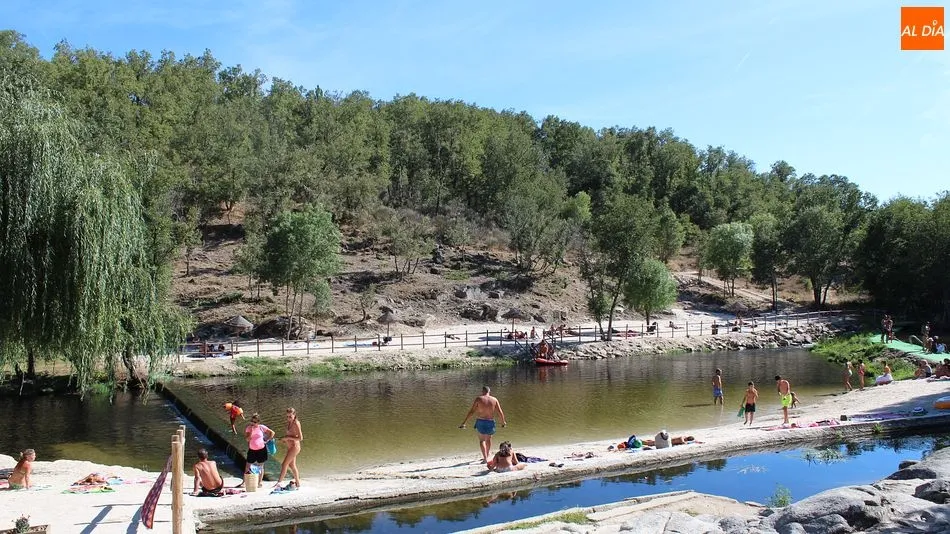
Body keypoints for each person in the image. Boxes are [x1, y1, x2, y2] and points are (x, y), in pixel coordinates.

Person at [459, 386, 508, 464]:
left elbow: (471, 411)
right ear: (489, 391)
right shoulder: (494, 399)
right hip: (490, 421)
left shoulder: (479, 399)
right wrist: (503, 422)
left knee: (482, 440)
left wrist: (464, 422)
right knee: (488, 439)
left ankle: (485, 458)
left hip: (481, 421)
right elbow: (500, 412)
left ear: (482, 391)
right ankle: (488, 455)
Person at [244, 413, 276, 487]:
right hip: (252, 449)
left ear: (258, 422)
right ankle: (245, 482)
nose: (252, 423)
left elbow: (272, 433)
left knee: (260, 466)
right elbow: (247, 439)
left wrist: (266, 440)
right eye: (252, 421)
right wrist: (251, 431)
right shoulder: (248, 428)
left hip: (261, 449)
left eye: (255, 422)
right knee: (248, 466)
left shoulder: (261, 427)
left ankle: (259, 482)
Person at [275, 407, 303, 490]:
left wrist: (287, 438)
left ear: (294, 415)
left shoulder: (296, 423)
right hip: (290, 447)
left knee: (284, 464)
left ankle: (279, 483)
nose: (288, 418)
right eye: (287, 416)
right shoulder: (289, 423)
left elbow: (300, 438)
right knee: (292, 465)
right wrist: (284, 439)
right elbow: (290, 435)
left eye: (290, 416)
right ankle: (298, 483)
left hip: (295, 447)